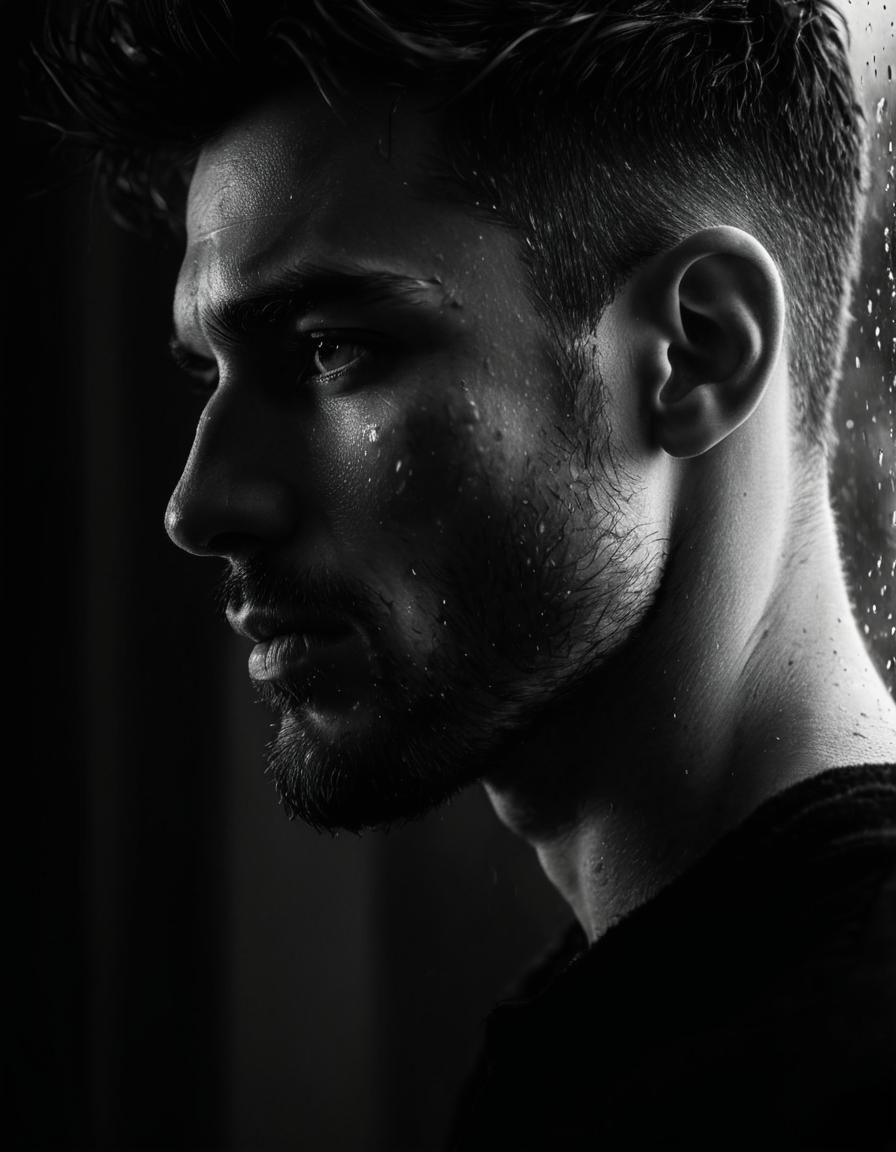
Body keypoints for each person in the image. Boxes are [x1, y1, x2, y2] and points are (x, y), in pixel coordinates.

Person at [36, 1, 895, 1146]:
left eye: (331, 350)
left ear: (693, 351)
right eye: (212, 374)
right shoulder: (620, 1035)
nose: (199, 505)